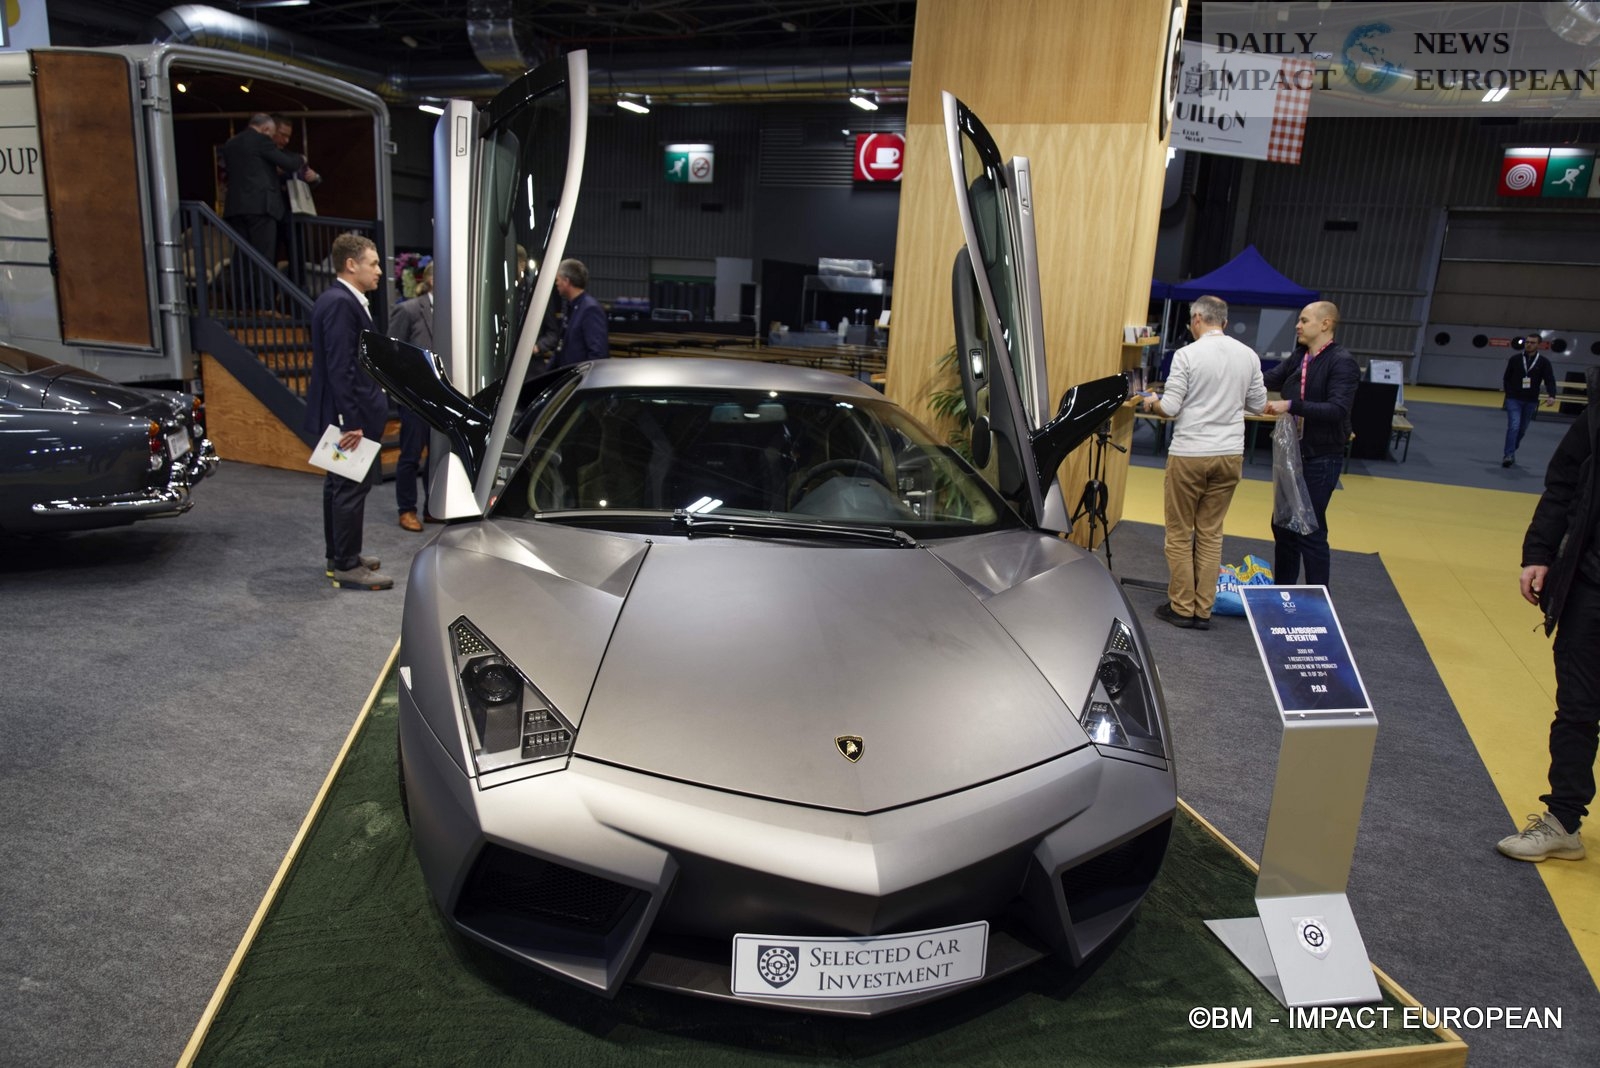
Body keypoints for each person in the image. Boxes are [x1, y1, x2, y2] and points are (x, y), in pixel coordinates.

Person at [1497, 367, 1600, 862]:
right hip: (1590, 583)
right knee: (1577, 708)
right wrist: (1538, 553)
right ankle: (1563, 820)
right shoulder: (1595, 415)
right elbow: (1562, 486)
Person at [1138, 295, 1267, 629]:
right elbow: (1258, 404)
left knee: (1180, 532)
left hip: (1190, 453)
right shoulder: (1248, 355)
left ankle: (1183, 607)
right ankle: (1204, 609)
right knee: (1211, 534)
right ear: (1224, 322)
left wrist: (1152, 403)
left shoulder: (1187, 355)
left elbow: (1170, 408)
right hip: (1230, 453)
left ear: (1197, 319)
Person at [303, 232, 393, 590]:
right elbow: (340, 366)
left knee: (339, 486)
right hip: (350, 417)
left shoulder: (338, 299)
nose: (380, 271)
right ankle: (346, 564)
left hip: (346, 413)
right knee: (349, 488)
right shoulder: (341, 302)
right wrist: (350, 421)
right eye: (374, 263)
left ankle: (340, 556)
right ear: (351, 264)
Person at [1262, 301, 1359, 587]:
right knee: (1283, 527)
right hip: (1292, 455)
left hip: (1321, 457)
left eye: (1304, 320)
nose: (1298, 325)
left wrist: (1291, 405)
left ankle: (1319, 598)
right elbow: (1268, 379)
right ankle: (1284, 592)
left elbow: (1337, 409)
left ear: (1325, 324)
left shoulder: (1341, 362)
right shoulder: (1300, 357)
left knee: (1310, 530)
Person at [220, 114, 316, 265]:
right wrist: (302, 159)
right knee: (263, 258)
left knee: (241, 256)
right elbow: (289, 163)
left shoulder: (231, 143)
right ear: (265, 129)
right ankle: (261, 282)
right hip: (261, 207)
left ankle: (242, 281)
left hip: (236, 207)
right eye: (272, 134)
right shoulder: (261, 140)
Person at [389, 259, 435, 532]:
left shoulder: (453, 313)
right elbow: (390, 353)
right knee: (410, 455)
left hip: (440, 399)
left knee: (437, 456)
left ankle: (432, 507)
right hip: (413, 399)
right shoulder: (408, 310)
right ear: (432, 280)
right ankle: (406, 509)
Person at [1501, 332, 1558, 468]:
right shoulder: (1515, 359)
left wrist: (1552, 395)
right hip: (1514, 399)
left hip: (1531, 400)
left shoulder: (1543, 362)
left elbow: (1549, 379)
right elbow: (1506, 378)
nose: (1529, 345)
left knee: (1522, 430)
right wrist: (1509, 394)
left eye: (1532, 343)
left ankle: (1512, 450)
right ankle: (1508, 455)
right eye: (1527, 342)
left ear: (1538, 345)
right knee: (1514, 426)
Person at [549, 258, 608, 369]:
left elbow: (598, 354)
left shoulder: (590, 309)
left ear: (566, 281)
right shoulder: (571, 306)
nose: (556, 283)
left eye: (558, 280)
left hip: (580, 377)